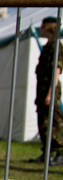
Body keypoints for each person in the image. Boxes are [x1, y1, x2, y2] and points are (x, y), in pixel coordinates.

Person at [31, 16, 63, 166]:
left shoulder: (56, 46)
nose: (40, 29)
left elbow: (56, 70)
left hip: (51, 90)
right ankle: (48, 152)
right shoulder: (48, 46)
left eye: (42, 27)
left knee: (55, 121)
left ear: (49, 27)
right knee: (43, 121)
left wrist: (50, 93)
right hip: (43, 90)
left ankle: (61, 153)